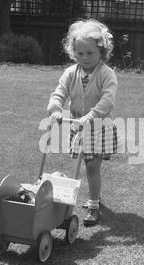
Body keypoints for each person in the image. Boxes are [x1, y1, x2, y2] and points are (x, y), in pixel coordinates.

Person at [47, 18, 118, 226]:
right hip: (79, 125)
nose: (84, 58)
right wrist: (55, 108)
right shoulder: (71, 73)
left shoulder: (107, 74)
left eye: (90, 53)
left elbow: (108, 100)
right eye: (79, 53)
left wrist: (92, 114)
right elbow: (60, 92)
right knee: (85, 164)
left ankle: (94, 204)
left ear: (101, 52)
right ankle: (89, 199)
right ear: (73, 52)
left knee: (91, 166)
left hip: (98, 126)